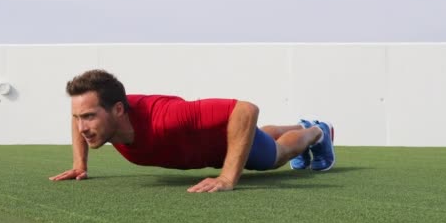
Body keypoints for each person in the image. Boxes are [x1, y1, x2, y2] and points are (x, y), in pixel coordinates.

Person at [49, 69, 335, 193]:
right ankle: (294, 129)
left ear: (119, 110)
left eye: (88, 117)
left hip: (224, 144)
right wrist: (79, 164)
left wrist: (227, 177)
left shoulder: (166, 117)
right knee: (258, 135)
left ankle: (316, 132)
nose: (82, 127)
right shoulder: (103, 113)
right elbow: (80, 116)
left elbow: (245, 110)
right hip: (200, 146)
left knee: (274, 155)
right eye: (78, 117)